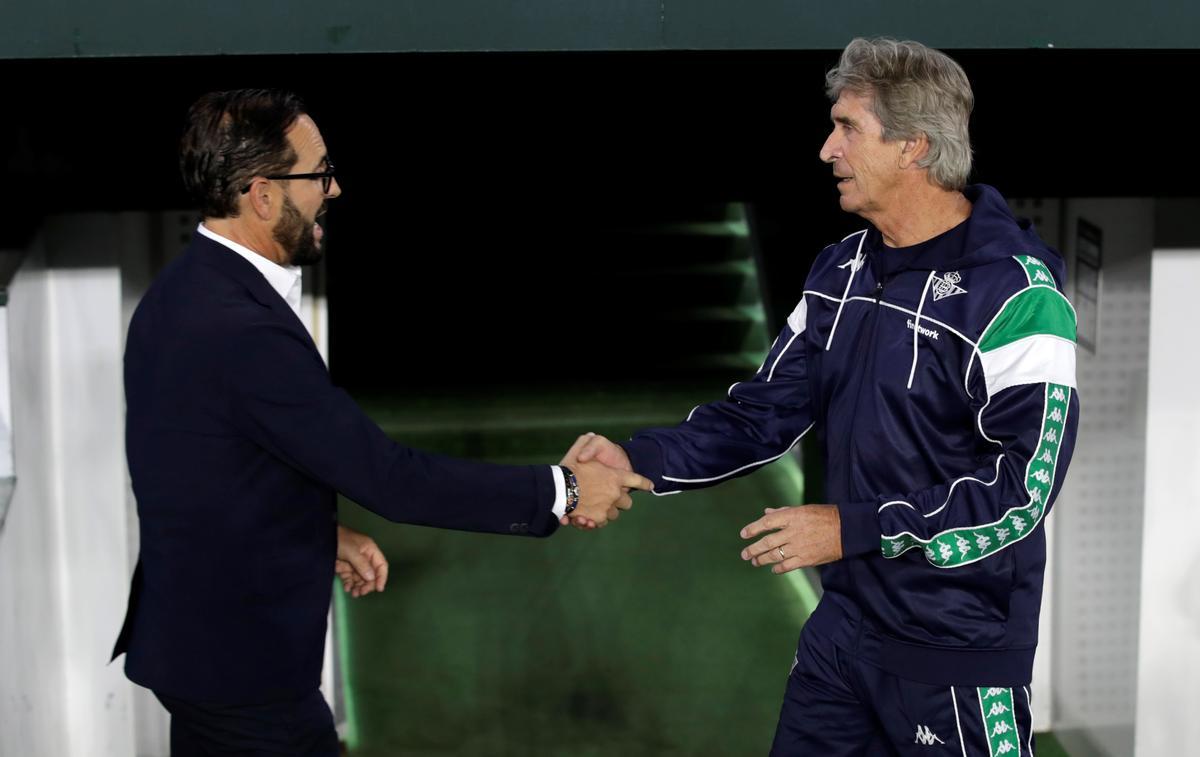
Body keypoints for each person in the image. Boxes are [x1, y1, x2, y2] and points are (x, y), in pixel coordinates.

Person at [571, 38, 1078, 755]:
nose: (825, 149)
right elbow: (761, 413)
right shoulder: (839, 269)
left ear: (913, 147)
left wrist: (852, 528)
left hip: (953, 651)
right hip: (842, 631)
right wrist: (635, 456)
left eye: (848, 128)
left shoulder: (1018, 296)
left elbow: (1024, 492)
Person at [111, 88, 651, 757]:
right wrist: (564, 490)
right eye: (318, 173)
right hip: (247, 676)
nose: (335, 188)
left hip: (197, 655)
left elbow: (205, 466)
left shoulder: (181, 290)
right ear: (261, 194)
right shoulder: (242, 329)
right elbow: (394, 480)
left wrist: (315, 530)